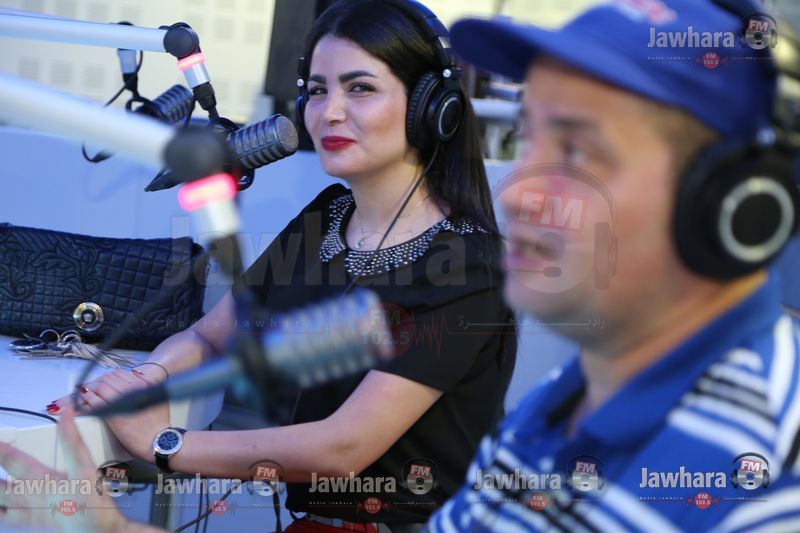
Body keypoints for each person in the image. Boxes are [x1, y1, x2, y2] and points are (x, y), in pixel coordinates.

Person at [2, 1, 515, 531]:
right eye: (318, 90)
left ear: (430, 106)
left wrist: (165, 443)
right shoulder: (328, 216)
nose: (329, 112)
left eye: (360, 88)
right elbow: (211, 335)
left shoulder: (467, 267)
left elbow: (342, 449)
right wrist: (144, 378)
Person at [426, 0, 800, 531]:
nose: (516, 195)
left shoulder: (760, 489)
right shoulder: (568, 394)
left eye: (576, 152)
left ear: (730, 205)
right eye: (524, 137)